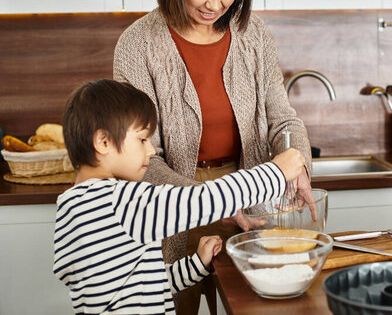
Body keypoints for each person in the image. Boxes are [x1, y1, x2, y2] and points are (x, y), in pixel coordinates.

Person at [112, 0, 314, 313]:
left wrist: (298, 163)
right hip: (172, 204)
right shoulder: (138, 44)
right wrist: (213, 200)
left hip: (251, 199)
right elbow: (142, 157)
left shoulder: (253, 34)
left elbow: (282, 118)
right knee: (177, 304)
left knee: (257, 306)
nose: (214, 3)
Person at [53, 79, 307, 314]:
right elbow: (205, 200)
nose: (150, 150)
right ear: (103, 142)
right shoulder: (119, 202)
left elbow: (141, 284)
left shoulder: (73, 208)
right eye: (142, 139)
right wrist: (277, 171)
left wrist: (195, 265)